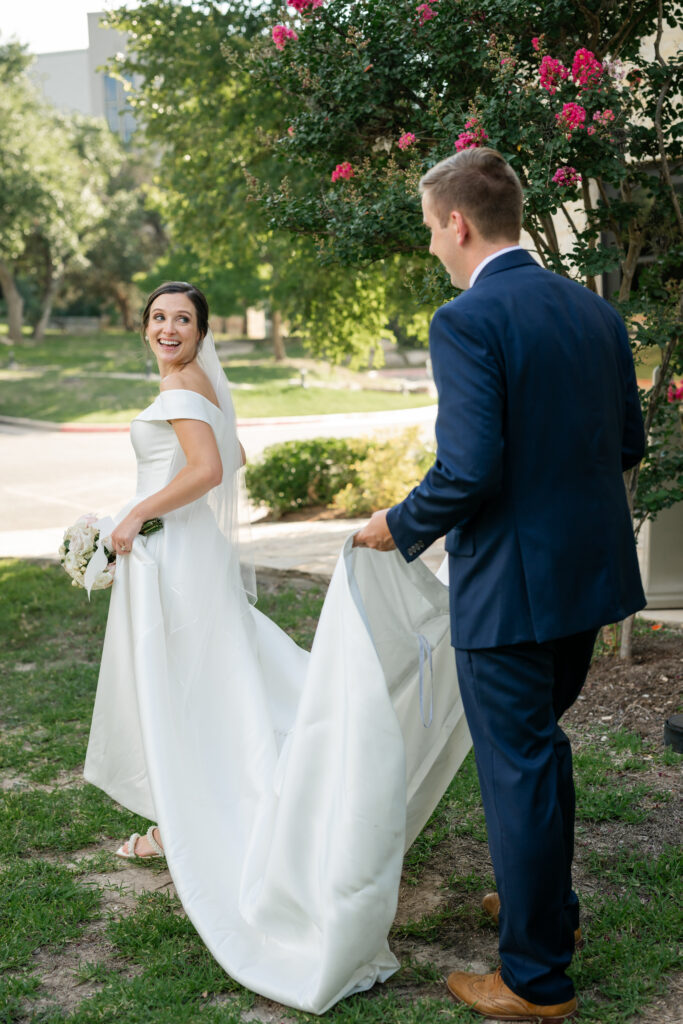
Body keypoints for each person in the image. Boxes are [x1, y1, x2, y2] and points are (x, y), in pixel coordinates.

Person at [83, 281, 472, 1014]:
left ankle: (207, 814)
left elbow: (209, 468)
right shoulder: (188, 383)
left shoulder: (183, 387)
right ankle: (175, 817)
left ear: (201, 332)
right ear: (145, 328)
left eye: (183, 320)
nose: (169, 329)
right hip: (181, 551)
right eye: (159, 318)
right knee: (210, 678)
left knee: (193, 684)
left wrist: (135, 512)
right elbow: (224, 445)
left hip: (172, 557)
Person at [354, 148, 645, 1021]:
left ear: (458, 223)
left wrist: (397, 525)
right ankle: (545, 915)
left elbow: (470, 468)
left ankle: (532, 979)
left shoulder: (466, 320)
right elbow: (624, 443)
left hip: (510, 594)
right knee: (538, 755)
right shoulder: (596, 312)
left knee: (516, 770)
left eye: (430, 233)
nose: (434, 251)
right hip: (586, 582)